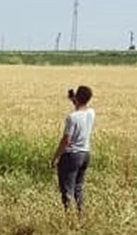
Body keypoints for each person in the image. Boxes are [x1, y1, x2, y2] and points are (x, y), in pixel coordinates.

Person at [51, 85, 95, 214]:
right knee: (78, 188)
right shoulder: (91, 113)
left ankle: (69, 217)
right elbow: (81, 108)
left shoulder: (72, 117)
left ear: (77, 97)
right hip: (85, 154)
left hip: (71, 156)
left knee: (67, 190)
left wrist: (56, 157)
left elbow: (66, 140)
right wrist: (74, 99)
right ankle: (81, 214)